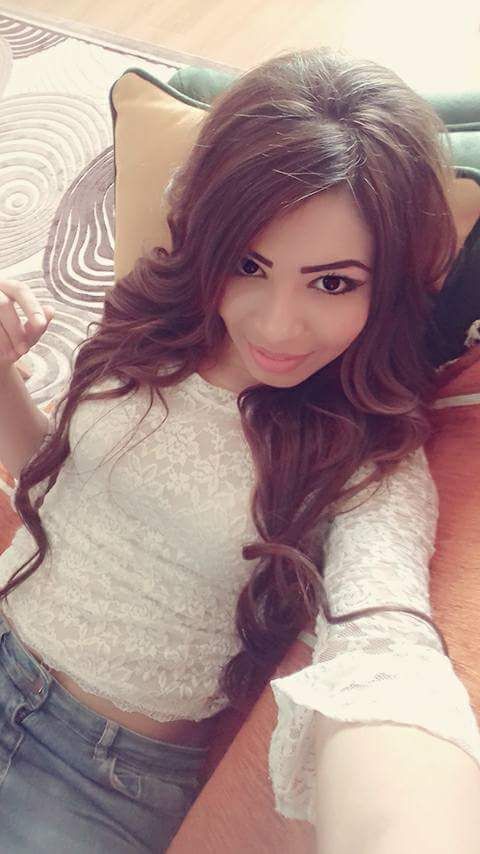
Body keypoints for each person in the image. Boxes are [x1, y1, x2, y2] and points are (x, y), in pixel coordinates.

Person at [0, 45, 479, 854]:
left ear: (391, 283)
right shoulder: (160, 322)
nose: (276, 324)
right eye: (249, 264)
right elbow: (59, 484)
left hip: (98, 776)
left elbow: (387, 650)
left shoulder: (369, 459)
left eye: (333, 282)